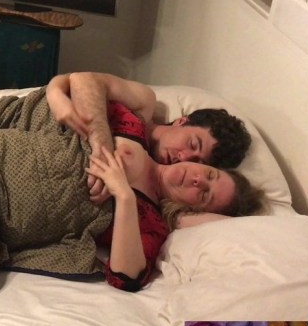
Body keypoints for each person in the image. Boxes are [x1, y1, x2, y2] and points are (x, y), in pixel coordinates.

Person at [87, 128, 265, 292]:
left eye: (204, 195)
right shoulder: (136, 128)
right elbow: (87, 107)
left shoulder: (151, 224)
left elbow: (126, 279)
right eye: (210, 174)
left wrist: (124, 196)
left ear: (195, 210)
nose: (199, 180)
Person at [46, 72, 252, 204]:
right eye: (192, 144)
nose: (183, 157)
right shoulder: (144, 105)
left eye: (197, 161)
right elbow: (85, 80)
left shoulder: (160, 189)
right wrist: (103, 150)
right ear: (182, 121)